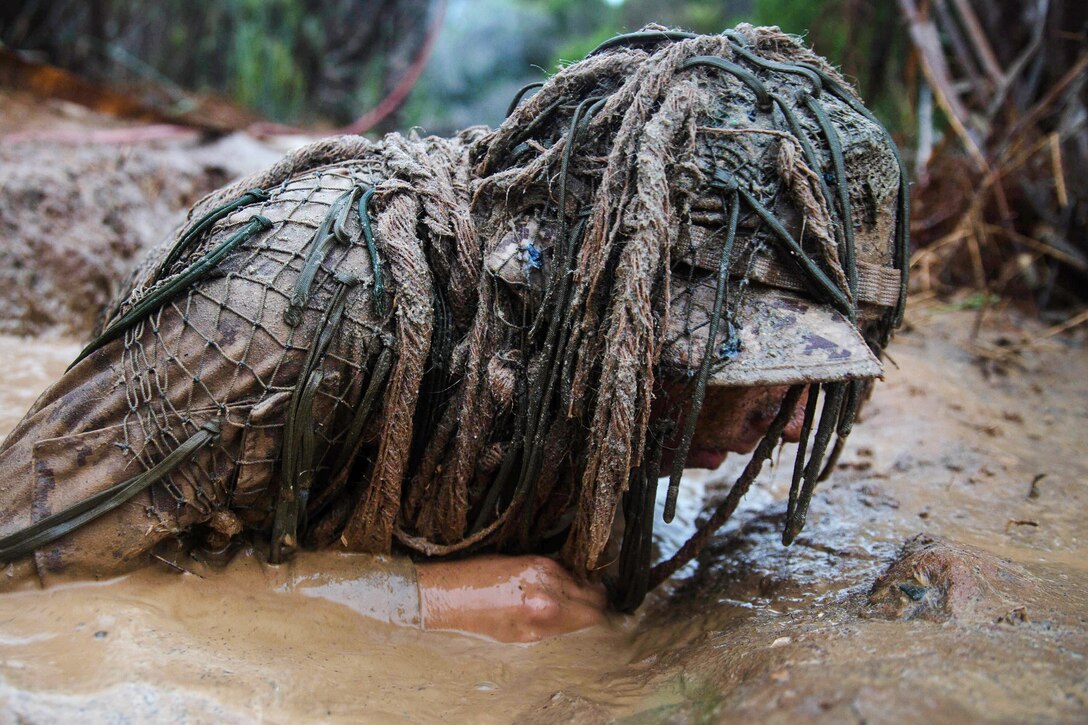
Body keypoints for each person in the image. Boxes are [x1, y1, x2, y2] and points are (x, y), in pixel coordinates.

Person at [0, 25, 906, 642]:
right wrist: (417, 604)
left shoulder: (595, 393)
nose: (795, 428)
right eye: (773, 367)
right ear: (620, 310)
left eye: (825, 377)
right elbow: (25, 571)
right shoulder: (290, 305)